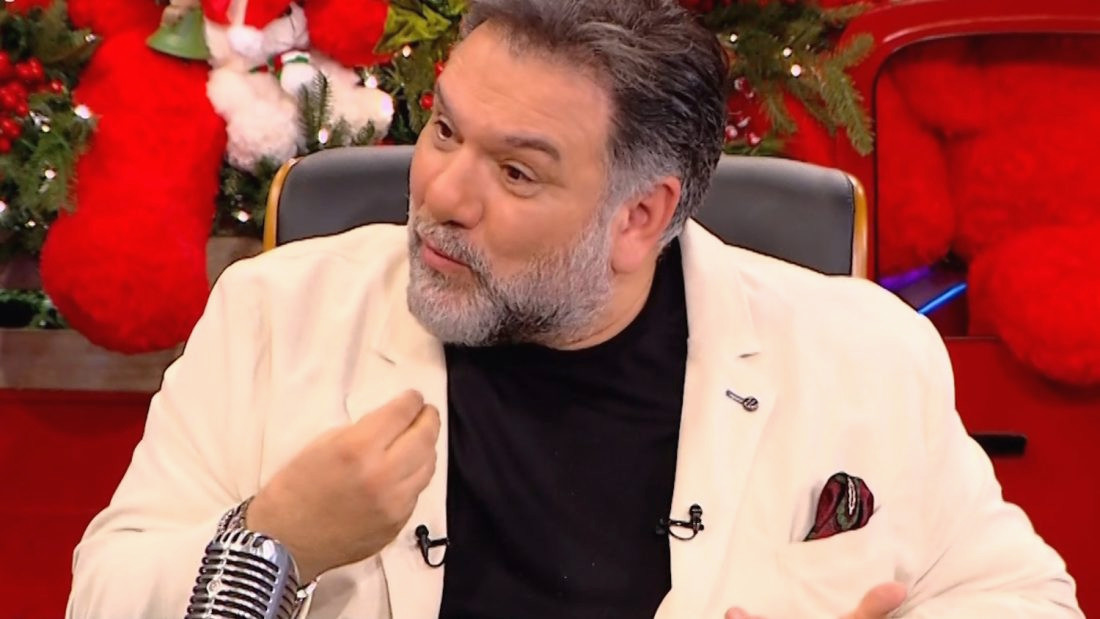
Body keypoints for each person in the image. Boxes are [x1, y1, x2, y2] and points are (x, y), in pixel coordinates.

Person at [67, 0, 1082, 617]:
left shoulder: (858, 352)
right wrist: (272, 538)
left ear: (641, 217)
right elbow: (102, 594)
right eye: (444, 131)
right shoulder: (274, 315)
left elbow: (1020, 597)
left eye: (515, 171)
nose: (442, 192)